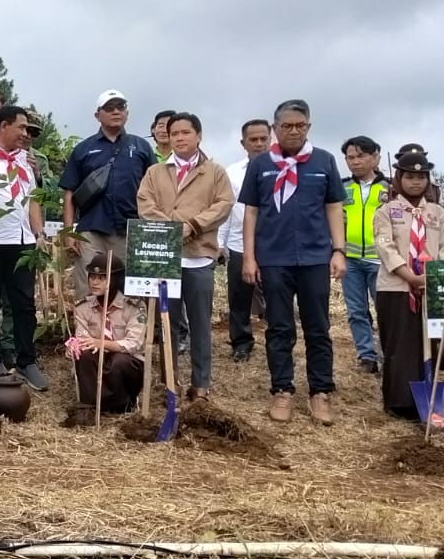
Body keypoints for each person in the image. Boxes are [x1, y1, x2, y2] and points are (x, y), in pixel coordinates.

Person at [240, 99, 346, 425]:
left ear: (309, 127)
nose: (294, 131)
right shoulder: (261, 165)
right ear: (275, 129)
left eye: (301, 125)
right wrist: (249, 257)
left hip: (315, 257)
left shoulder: (324, 161)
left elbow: (333, 208)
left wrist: (338, 250)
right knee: (279, 327)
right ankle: (282, 390)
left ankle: (320, 392)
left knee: (318, 326)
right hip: (273, 258)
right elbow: (251, 212)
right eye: (287, 126)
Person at [136, 112, 235, 401]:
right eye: (174, 133)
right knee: (167, 323)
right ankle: (171, 381)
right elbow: (145, 205)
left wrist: (193, 226)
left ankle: (200, 384)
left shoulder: (215, 172)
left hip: (199, 258)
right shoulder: (155, 172)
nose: (179, 138)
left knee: (201, 323)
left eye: (185, 133)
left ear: (198, 136)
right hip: (165, 258)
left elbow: (224, 204)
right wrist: (172, 230)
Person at [0, 105, 49, 390]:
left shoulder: (26, 160)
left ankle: (27, 360)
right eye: (22, 127)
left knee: (24, 304)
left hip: (22, 241)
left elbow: (32, 199)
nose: (26, 133)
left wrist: (38, 231)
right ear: (4, 126)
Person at [58, 90, 155, 297]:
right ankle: (87, 329)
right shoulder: (83, 149)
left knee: (129, 289)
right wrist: (69, 234)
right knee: (88, 287)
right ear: (97, 115)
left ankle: (126, 330)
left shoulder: (142, 147)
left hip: (130, 229)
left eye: (121, 107)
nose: (116, 112)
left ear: (127, 113)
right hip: (91, 230)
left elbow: (155, 189)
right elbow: (69, 193)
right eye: (109, 108)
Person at [372, 151, 443, 422]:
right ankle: (400, 402)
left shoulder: (437, 212)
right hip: (396, 287)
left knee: (431, 342)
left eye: (421, 177)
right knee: (399, 344)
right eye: (409, 177)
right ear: (399, 179)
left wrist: (432, 275)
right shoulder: (386, 212)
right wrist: (409, 276)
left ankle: (431, 398)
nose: (415, 182)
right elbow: (385, 246)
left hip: (432, 286)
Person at [218, 119, 271, 362]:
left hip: (273, 244)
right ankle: (241, 342)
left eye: (264, 139)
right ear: (243, 143)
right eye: (253, 140)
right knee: (239, 298)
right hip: (239, 243)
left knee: (277, 296)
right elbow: (226, 210)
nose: (259, 144)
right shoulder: (232, 173)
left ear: (271, 139)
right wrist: (221, 242)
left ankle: (278, 341)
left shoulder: (284, 169)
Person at [70, 253, 146, 413]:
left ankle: (122, 405)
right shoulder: (82, 307)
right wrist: (75, 347)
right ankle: (91, 406)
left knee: (119, 361)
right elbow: (82, 338)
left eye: (102, 278)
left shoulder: (134, 307)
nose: (95, 282)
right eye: (92, 276)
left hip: (126, 360)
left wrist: (103, 343)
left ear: (115, 280)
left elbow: (134, 344)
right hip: (98, 357)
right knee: (83, 355)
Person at [339, 135, 389, 375]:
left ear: (375, 156)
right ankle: (366, 357)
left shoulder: (390, 188)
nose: (355, 162)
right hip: (351, 260)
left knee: (385, 310)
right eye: (350, 157)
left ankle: (388, 354)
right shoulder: (342, 187)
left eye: (361, 156)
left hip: (382, 262)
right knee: (356, 311)